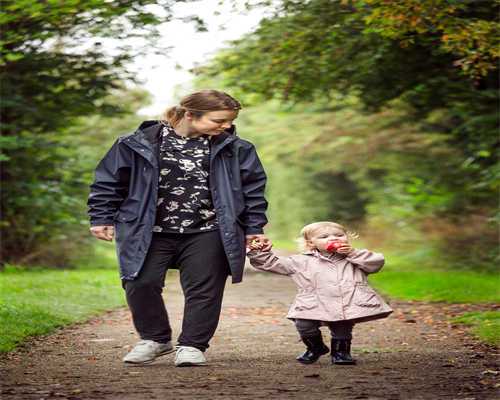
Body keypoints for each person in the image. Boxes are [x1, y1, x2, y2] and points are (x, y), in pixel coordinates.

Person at [87, 89, 272, 367]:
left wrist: (254, 227)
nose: (226, 126)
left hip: (209, 229)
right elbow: (108, 182)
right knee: (140, 282)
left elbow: (253, 191)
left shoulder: (237, 149)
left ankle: (192, 345)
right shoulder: (135, 143)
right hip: (147, 229)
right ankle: (155, 339)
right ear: (190, 115)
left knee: (204, 288)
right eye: (219, 120)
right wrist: (101, 217)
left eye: (230, 121)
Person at [247, 221, 392, 365]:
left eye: (339, 235)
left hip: (346, 301)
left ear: (347, 238)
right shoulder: (301, 261)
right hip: (312, 302)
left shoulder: (354, 258)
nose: (333, 238)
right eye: (324, 236)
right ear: (311, 243)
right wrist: (258, 252)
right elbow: (272, 263)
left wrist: (352, 253)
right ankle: (315, 347)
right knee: (303, 324)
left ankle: (341, 353)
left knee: (342, 327)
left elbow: (376, 263)